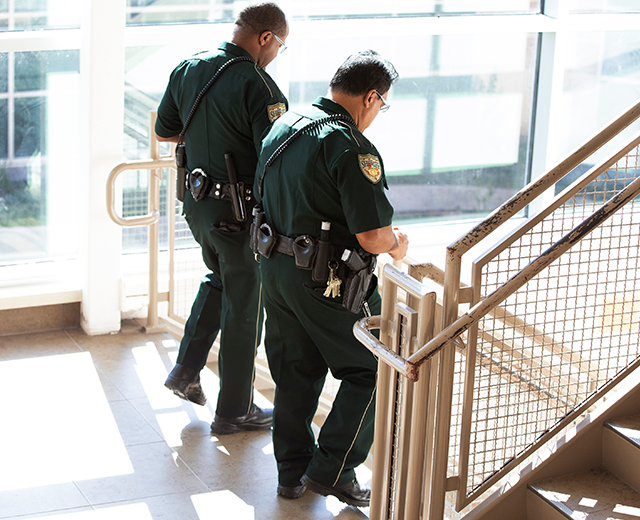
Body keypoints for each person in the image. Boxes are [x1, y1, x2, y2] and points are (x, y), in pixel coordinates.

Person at [254, 50, 409, 506]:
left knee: (296, 372)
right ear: (371, 97)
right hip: (328, 281)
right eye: (382, 105)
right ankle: (335, 470)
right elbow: (373, 235)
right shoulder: (349, 144)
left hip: (275, 269)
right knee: (378, 364)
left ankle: (291, 474)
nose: (378, 114)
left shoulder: (287, 123)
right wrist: (397, 242)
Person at [154, 2, 289, 435]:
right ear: (265, 37)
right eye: (279, 47)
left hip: (198, 204)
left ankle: (186, 370)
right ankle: (235, 409)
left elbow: (165, 131)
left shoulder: (187, 68)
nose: (275, 56)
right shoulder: (259, 87)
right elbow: (275, 159)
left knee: (220, 278)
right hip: (240, 214)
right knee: (246, 304)